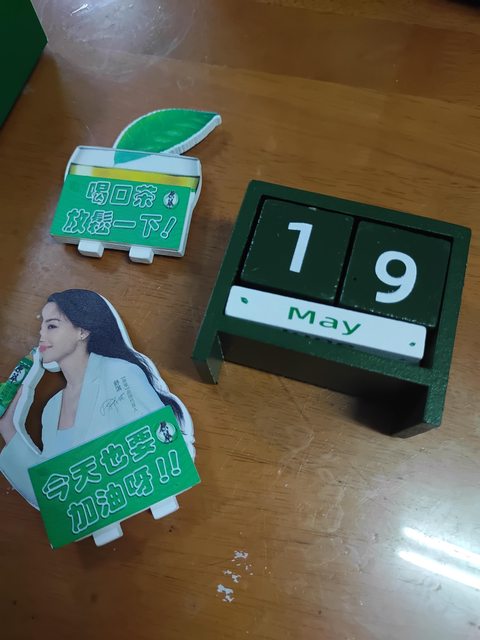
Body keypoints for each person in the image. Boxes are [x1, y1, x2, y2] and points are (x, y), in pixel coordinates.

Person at [0, 289, 194, 510]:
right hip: (94, 513)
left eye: (51, 326)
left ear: (82, 331)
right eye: (42, 325)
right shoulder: (52, 409)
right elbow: (51, 496)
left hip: (143, 496)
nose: (41, 334)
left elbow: (169, 450)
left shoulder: (118, 372)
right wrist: (7, 426)